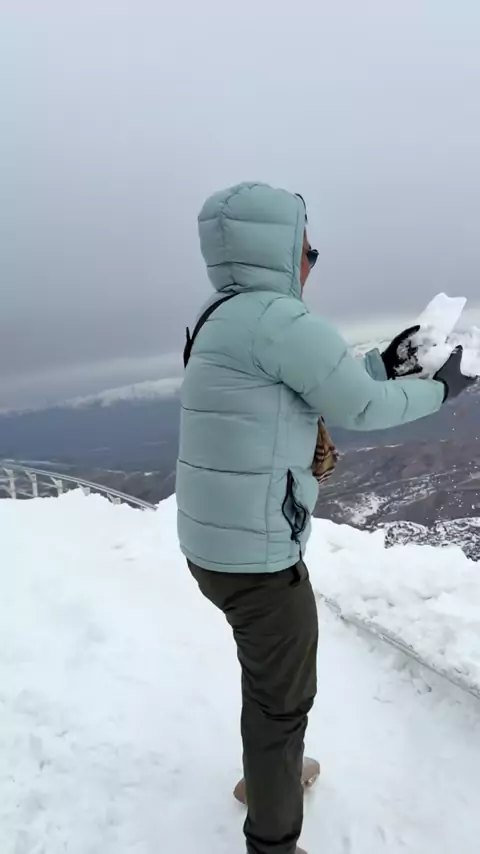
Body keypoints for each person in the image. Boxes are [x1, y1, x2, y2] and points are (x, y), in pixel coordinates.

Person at [176, 182, 476, 854]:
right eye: (306, 247)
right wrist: (441, 388)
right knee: (282, 701)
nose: (311, 259)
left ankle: (270, 780)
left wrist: (387, 361)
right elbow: (359, 406)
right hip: (258, 561)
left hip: (211, 546)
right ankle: (272, 838)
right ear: (278, 248)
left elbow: (320, 378)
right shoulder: (280, 319)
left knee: (268, 683)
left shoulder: (223, 315)